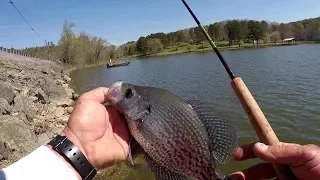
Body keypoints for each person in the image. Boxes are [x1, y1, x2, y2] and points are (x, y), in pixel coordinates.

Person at [1, 87, 320, 180]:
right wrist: (80, 146)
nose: (121, 95)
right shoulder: (141, 114)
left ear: (139, 101)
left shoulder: (146, 112)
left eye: (128, 94)